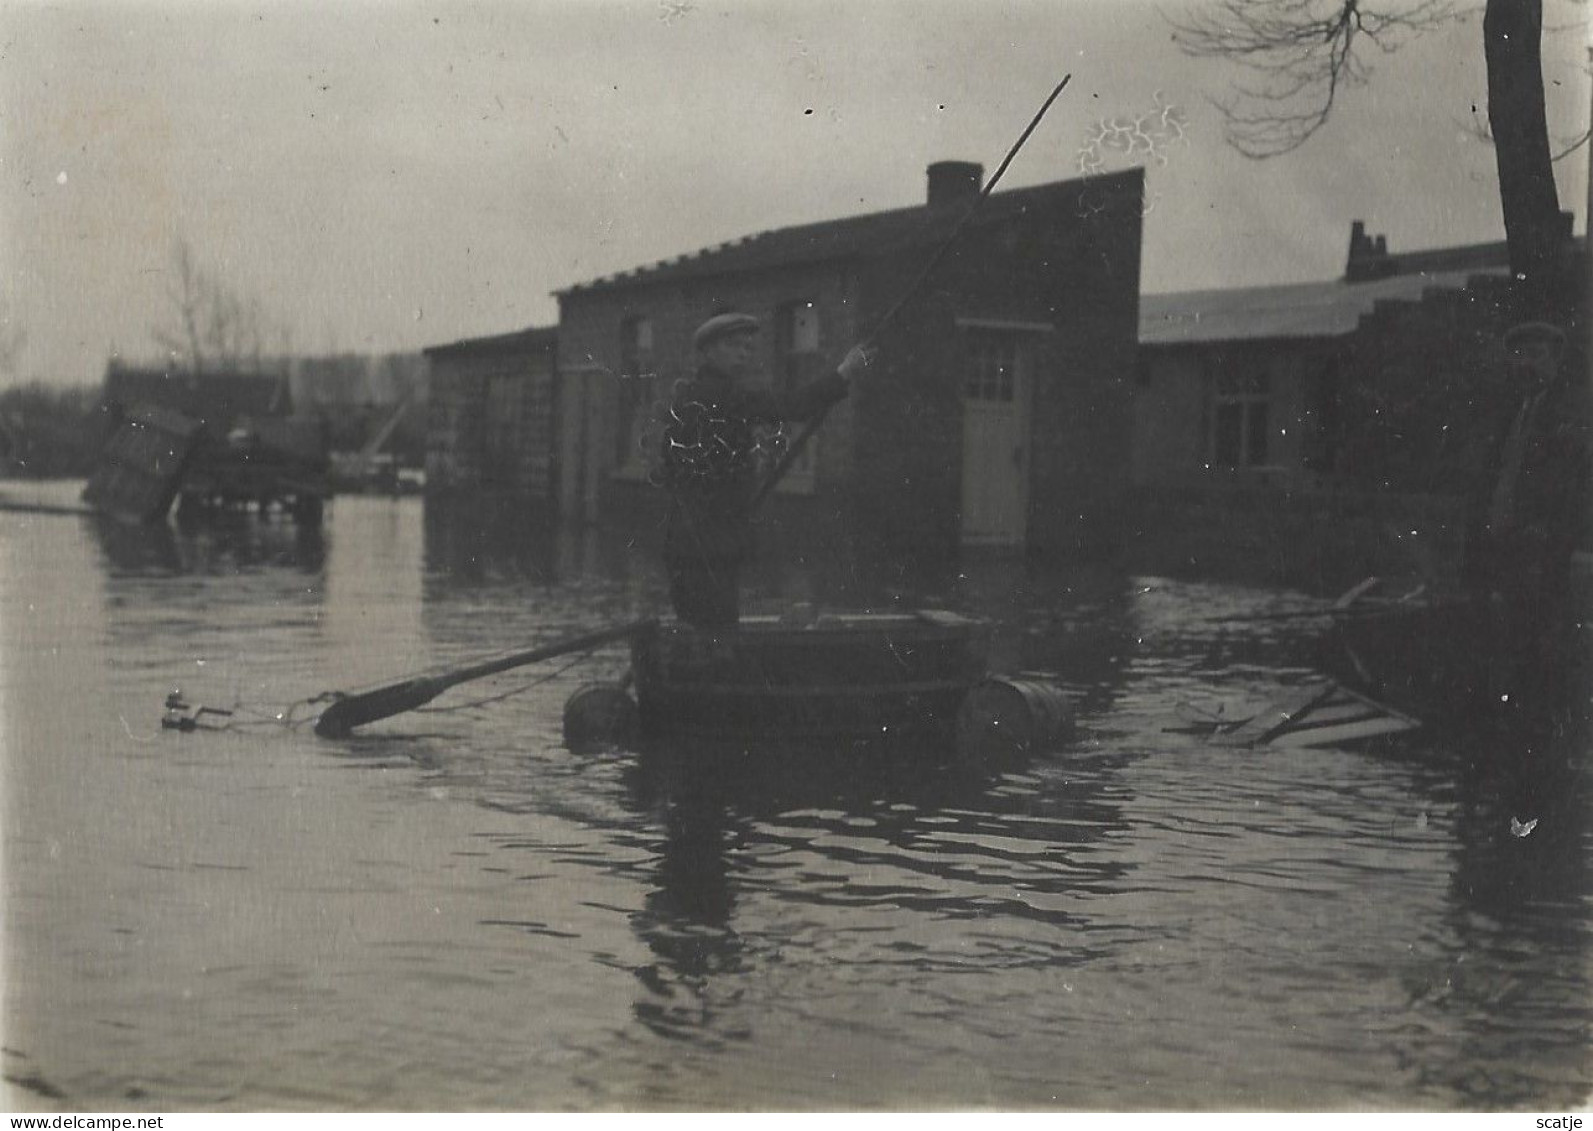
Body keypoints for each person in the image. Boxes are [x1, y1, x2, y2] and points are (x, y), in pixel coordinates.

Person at [659, 311, 873, 628]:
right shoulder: (723, 396)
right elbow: (793, 406)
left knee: (697, 627)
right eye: (733, 346)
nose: (743, 354)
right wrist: (844, 373)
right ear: (707, 352)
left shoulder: (688, 396)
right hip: (713, 542)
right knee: (717, 629)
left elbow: (676, 465)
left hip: (687, 541)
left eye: (747, 347)